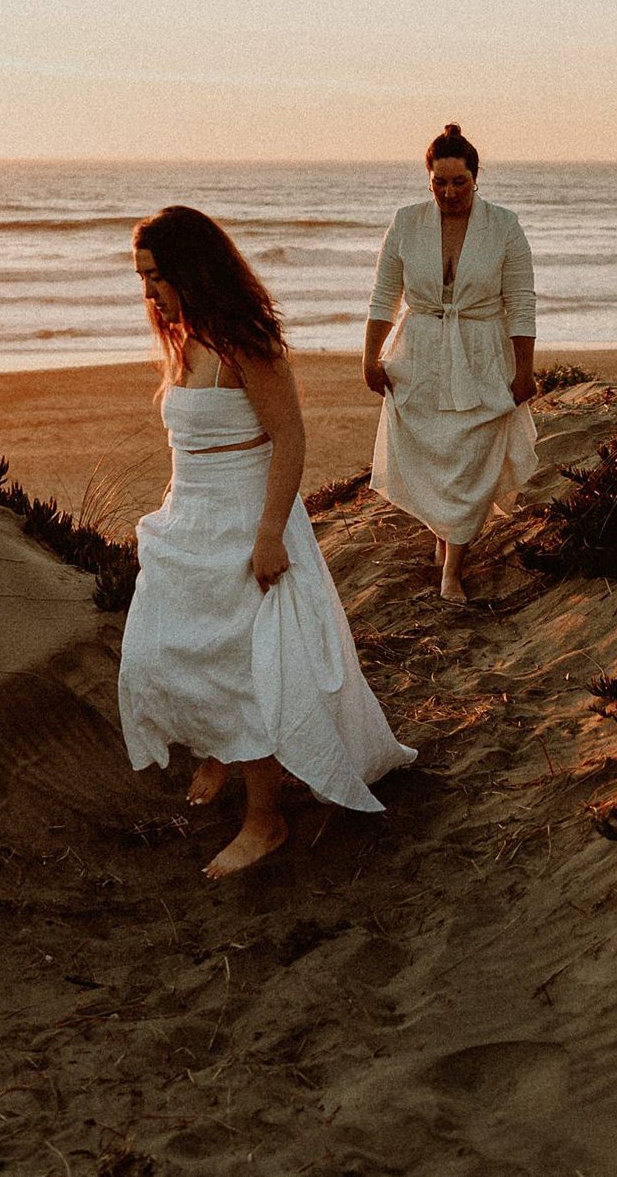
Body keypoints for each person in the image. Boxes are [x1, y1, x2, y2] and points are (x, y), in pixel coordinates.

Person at [119, 206, 418, 878]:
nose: (148, 294)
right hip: (189, 520)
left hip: (247, 523)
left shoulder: (244, 343)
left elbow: (290, 438)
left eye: (156, 277)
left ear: (193, 270)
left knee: (257, 671)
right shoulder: (180, 336)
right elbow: (189, 444)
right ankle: (222, 749)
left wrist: (268, 534)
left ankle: (267, 820)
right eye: (142, 279)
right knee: (160, 648)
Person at [362, 124, 539, 602]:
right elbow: (384, 296)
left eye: (458, 182)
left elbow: (521, 303)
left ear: (476, 179)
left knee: (471, 455)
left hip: (482, 352)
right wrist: (370, 356)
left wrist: (524, 370)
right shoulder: (405, 222)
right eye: (439, 183)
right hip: (418, 353)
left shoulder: (504, 226)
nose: (448, 192)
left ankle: (451, 571)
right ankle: (444, 538)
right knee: (434, 453)